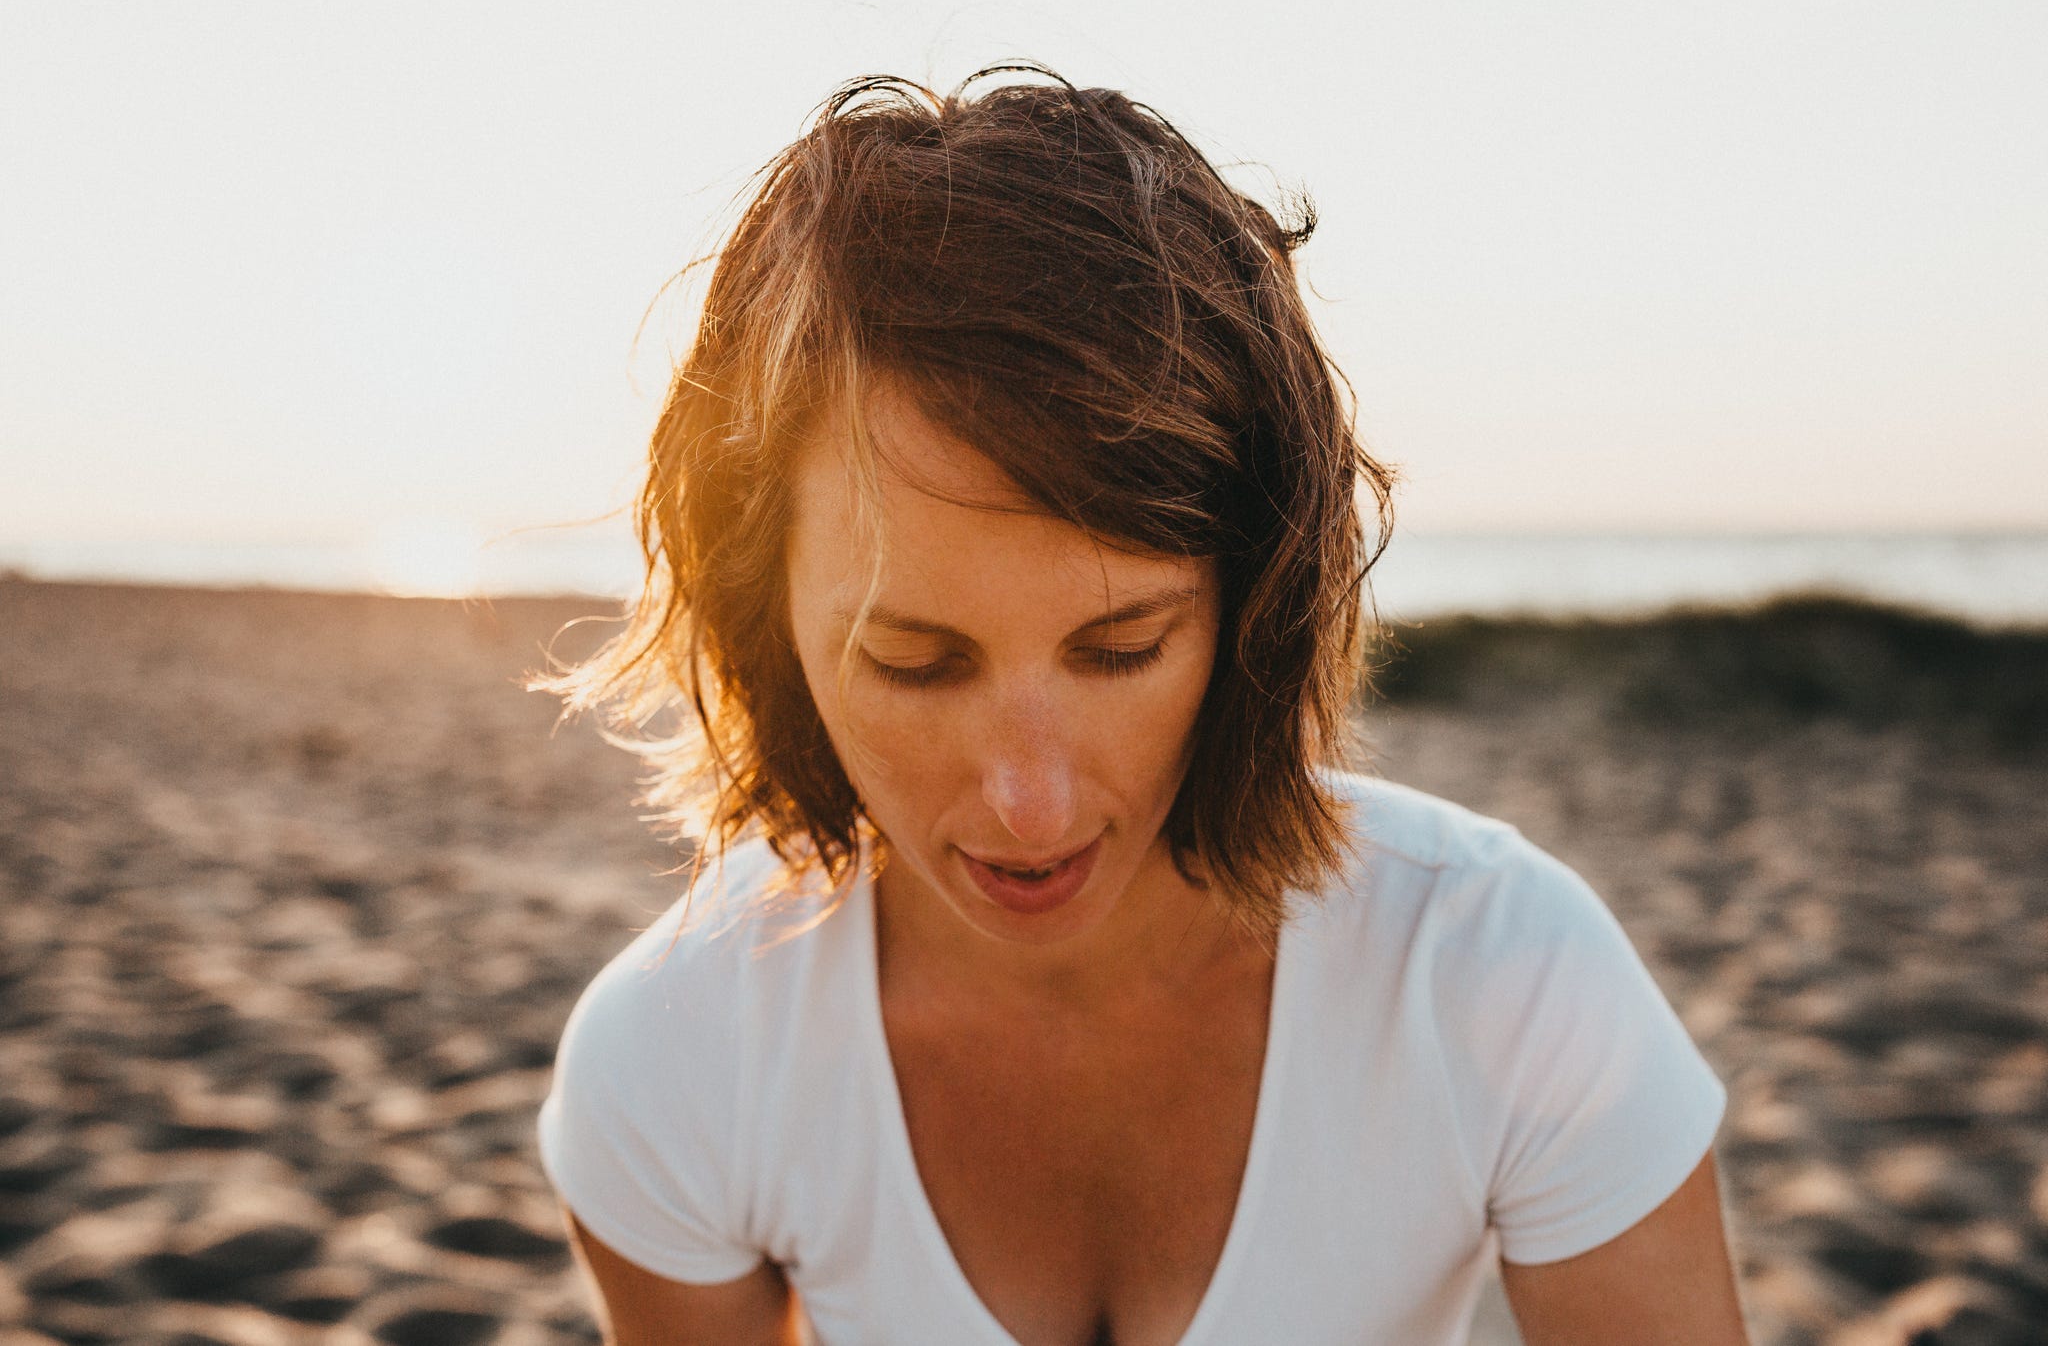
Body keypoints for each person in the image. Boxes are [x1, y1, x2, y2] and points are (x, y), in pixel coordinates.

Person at [535, 66, 1750, 1346]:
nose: (1029, 802)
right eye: (912, 661)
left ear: (1251, 610)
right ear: (759, 609)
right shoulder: (675, 1057)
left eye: (1120, 649)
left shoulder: (1502, 979)